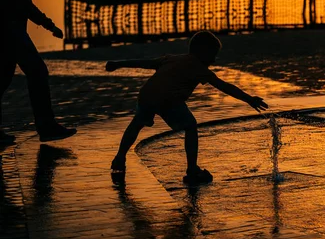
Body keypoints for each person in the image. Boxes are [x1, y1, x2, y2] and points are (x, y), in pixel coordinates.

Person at [105, 31, 269, 185]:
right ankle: (192, 170)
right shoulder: (199, 68)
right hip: (168, 99)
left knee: (136, 124)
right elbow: (225, 87)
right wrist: (249, 99)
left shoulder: (172, 58)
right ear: (203, 53)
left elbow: (145, 63)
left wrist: (118, 64)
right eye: (212, 55)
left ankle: (120, 157)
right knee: (190, 126)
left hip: (147, 94)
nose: (213, 60)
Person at [0, 0, 77, 146]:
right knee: (38, 71)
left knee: (2, 79)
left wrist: (48, 25)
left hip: (14, 31)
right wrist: (47, 24)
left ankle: (46, 127)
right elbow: (20, 5)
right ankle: (46, 127)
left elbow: (26, 4)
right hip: (9, 31)